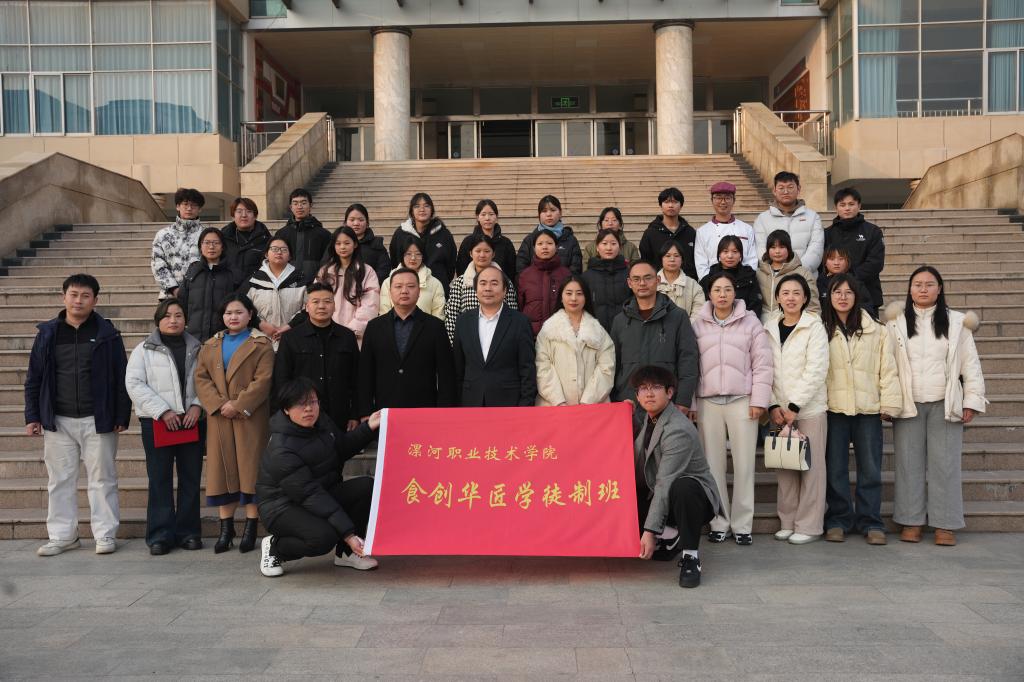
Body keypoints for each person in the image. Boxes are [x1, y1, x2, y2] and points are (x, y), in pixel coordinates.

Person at [26, 274, 131, 557]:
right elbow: (34, 377)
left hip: (98, 419)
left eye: (85, 296)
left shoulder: (108, 334)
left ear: (95, 300)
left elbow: (121, 376)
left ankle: (105, 534)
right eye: (73, 294)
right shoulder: (48, 333)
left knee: (103, 479)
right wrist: (33, 415)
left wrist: (121, 415)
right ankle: (63, 536)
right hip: (58, 420)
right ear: (64, 297)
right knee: (60, 480)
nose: (78, 301)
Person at [886, 266, 986, 547]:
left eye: (929, 284)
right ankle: (911, 521)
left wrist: (972, 401)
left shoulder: (957, 323)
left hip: (945, 402)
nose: (923, 289)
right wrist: (888, 402)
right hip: (909, 403)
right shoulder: (896, 324)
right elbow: (888, 365)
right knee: (908, 464)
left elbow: (970, 364)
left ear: (939, 289)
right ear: (910, 289)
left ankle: (945, 524)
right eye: (917, 284)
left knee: (946, 465)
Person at [257, 378, 382, 578]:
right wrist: (348, 534)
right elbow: (309, 494)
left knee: (365, 487)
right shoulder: (281, 448)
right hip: (282, 506)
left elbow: (341, 448)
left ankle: (347, 554)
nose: (308, 409)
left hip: (319, 493)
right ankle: (276, 547)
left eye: (313, 402)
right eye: (300, 404)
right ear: (286, 409)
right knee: (323, 537)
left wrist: (369, 427)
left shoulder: (322, 422)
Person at [691, 272, 773, 546]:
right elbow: (691, 366)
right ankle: (719, 521)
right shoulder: (697, 324)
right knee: (713, 466)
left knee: (744, 465)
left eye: (727, 289)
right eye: (717, 289)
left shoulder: (751, 323)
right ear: (709, 294)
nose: (722, 294)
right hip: (708, 401)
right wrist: (692, 402)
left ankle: (742, 524)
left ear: (735, 293)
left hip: (742, 401)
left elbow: (762, 364)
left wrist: (759, 400)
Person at [822, 274, 902, 546]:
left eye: (848, 292)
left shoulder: (877, 330)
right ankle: (838, 519)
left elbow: (888, 369)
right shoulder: (821, 329)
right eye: (837, 292)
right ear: (829, 296)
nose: (842, 297)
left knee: (870, 468)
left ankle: (871, 521)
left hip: (868, 410)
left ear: (857, 296)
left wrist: (889, 403)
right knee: (835, 469)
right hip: (834, 408)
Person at [194, 294, 274, 555]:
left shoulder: (261, 344)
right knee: (221, 471)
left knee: (250, 470)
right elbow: (201, 378)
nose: (233, 317)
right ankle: (225, 530)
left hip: (249, 417)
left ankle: (251, 527)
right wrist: (219, 404)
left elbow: (263, 380)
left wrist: (238, 405)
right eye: (228, 313)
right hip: (219, 417)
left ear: (250, 315)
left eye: (239, 312)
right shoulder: (211, 345)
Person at [125, 299, 204, 555]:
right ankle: (160, 535)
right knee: (159, 478)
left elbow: (209, 381)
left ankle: (189, 533)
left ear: (186, 319)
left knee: (190, 478)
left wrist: (197, 406)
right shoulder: (144, 349)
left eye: (178, 315)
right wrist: (163, 411)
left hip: (191, 421)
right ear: (158, 320)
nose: (173, 320)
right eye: (168, 315)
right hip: (157, 421)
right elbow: (134, 383)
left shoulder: (198, 348)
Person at [632, 365, 722, 589]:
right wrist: (627, 414)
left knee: (683, 487)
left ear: (670, 392)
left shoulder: (677, 428)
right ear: (637, 395)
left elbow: (665, 482)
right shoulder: (650, 418)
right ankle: (670, 534)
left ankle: (691, 557)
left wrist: (649, 531)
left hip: (693, 499)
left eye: (656, 387)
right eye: (643, 388)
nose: (649, 394)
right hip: (663, 492)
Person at [764, 273, 830, 545]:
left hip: (809, 409)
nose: (790, 298)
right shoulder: (768, 327)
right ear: (777, 298)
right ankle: (788, 521)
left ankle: (810, 525)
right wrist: (772, 404)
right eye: (785, 293)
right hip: (779, 411)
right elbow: (763, 368)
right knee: (785, 467)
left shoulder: (814, 327)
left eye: (796, 293)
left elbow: (816, 369)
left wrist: (794, 406)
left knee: (812, 469)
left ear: (805, 298)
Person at [359, 268, 457, 417]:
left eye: (411, 286)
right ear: (390, 292)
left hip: (425, 410)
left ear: (419, 292)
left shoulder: (435, 326)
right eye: (398, 286)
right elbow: (365, 373)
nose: (404, 291)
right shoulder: (374, 327)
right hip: (384, 411)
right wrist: (365, 412)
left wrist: (444, 412)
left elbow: (446, 375)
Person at [610, 261, 699, 418]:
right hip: (629, 403)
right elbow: (613, 364)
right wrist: (616, 399)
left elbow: (688, 360)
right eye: (636, 279)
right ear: (629, 283)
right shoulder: (620, 321)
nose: (642, 283)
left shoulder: (678, 317)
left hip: (668, 403)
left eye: (648, 278)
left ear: (658, 280)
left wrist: (684, 400)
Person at [274, 283, 360, 433]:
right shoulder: (291, 338)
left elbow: (358, 379)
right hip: (302, 416)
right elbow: (282, 379)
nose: (321, 306)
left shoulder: (347, 337)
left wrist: (355, 414)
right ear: (307, 307)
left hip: (340, 415)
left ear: (334, 306)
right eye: (315, 302)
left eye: (327, 301)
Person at [453, 265, 537, 406]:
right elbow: (458, 368)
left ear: (505, 290)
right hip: (471, 402)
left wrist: (525, 407)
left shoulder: (520, 322)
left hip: (509, 403)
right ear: (475, 289)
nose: (488, 288)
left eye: (494, 283)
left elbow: (527, 369)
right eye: (483, 283)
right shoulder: (463, 321)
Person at [535, 276, 615, 406]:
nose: (573, 298)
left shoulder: (599, 332)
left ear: (586, 298)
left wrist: (587, 402)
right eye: (568, 293)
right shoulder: (548, 331)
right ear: (561, 297)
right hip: (553, 406)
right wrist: (559, 402)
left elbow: (606, 369)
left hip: (593, 407)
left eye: (579, 293)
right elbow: (542, 368)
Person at [444, 233, 518, 343]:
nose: (482, 255)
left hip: (499, 339)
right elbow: (451, 317)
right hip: (468, 341)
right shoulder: (460, 282)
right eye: (478, 251)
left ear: (493, 254)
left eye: (487, 251)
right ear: (471, 253)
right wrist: (455, 344)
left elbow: (512, 312)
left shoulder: (505, 281)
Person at [238, 237, 307, 349]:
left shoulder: (301, 279)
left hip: (294, 340)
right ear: (266, 254)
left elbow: (309, 308)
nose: (279, 252)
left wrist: (289, 326)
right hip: (259, 341)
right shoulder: (253, 280)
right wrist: (260, 324)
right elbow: (241, 307)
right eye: (274, 249)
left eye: (284, 249)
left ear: (290, 256)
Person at [317, 226, 380, 346]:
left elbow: (370, 305)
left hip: (355, 337)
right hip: (327, 335)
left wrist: (349, 332)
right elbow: (316, 300)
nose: (342, 247)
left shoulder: (366, 271)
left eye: (347, 243)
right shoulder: (325, 272)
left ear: (355, 244)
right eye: (338, 243)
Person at [176, 227, 241, 342]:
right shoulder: (193, 271)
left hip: (222, 338)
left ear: (223, 247)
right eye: (206, 242)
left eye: (216, 243)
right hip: (194, 338)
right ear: (200, 246)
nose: (211, 247)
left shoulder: (232, 273)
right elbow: (182, 301)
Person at [826, 187, 885, 313]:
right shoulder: (827, 233)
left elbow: (875, 263)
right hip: (835, 295)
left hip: (867, 294)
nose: (847, 208)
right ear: (836, 207)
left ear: (859, 206)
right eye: (842, 205)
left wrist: (850, 279)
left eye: (851, 204)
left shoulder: (873, 231)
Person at [754, 171, 824, 271]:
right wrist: (776, 272)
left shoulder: (813, 217)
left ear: (798, 189)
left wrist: (799, 271)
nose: (786, 192)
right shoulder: (762, 219)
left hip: (804, 276)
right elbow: (761, 250)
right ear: (774, 190)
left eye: (790, 187)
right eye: (781, 188)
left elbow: (816, 250)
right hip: (772, 276)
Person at [389, 192, 458, 289]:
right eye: (417, 206)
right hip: (408, 288)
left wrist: (441, 280)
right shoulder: (401, 234)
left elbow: (451, 264)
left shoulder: (444, 234)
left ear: (432, 210)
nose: (422, 209)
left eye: (426, 206)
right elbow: (395, 260)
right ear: (411, 211)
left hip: (437, 288)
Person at [694, 181, 758, 279]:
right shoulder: (702, 232)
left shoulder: (746, 229)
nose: (723, 202)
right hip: (713, 282)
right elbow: (701, 265)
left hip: (743, 282)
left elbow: (752, 260)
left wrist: (742, 281)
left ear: (734, 200)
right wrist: (713, 284)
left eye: (727, 198)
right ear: (712, 200)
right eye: (718, 197)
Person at [151, 187, 204, 299]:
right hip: (170, 297)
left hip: (200, 296)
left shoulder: (207, 235)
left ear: (200, 209)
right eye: (185, 204)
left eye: (194, 205)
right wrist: (174, 289)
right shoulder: (163, 235)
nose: (189, 208)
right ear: (178, 206)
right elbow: (158, 264)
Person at [757, 229, 820, 322]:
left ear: (789, 249)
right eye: (773, 247)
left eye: (782, 247)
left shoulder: (803, 273)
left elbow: (812, 307)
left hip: (792, 323)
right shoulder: (758, 273)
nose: (777, 251)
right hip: (762, 324)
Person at [518, 228, 572, 335]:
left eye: (549, 243)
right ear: (534, 248)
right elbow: (520, 305)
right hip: (532, 334)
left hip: (561, 335)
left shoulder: (566, 274)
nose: (545, 247)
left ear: (556, 247)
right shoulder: (525, 275)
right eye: (540, 244)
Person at [379, 236, 446, 319]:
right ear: (402, 255)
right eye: (408, 254)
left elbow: (438, 316)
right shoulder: (388, 282)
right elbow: (384, 313)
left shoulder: (435, 284)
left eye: (418, 254)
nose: (413, 258)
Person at [639, 187, 697, 280]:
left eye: (675, 202)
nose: (670, 205)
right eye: (666, 202)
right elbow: (645, 261)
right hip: (658, 282)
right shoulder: (650, 233)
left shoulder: (690, 232)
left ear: (681, 205)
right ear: (660, 205)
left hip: (687, 282)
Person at [515, 195, 583, 275]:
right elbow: (521, 269)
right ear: (538, 215)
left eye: (553, 210)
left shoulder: (571, 240)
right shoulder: (529, 240)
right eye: (544, 211)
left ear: (560, 213)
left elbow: (576, 269)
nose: (549, 214)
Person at [699, 236, 763, 320]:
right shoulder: (709, 279)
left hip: (744, 322)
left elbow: (756, 304)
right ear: (719, 254)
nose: (730, 256)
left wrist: (746, 322)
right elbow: (702, 306)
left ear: (741, 254)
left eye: (735, 252)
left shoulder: (749, 276)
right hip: (714, 323)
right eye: (725, 251)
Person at [275, 188, 331, 282]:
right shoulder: (281, 234)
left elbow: (328, 261)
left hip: (314, 285)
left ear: (310, 205)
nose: (299, 207)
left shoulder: (323, 234)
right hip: (287, 284)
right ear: (291, 207)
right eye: (295, 203)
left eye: (303, 203)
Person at [581, 228, 630, 331]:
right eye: (604, 243)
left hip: (625, 329)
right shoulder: (586, 277)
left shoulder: (629, 274)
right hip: (596, 331)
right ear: (597, 247)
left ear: (620, 247)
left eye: (613, 243)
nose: (609, 248)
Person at [456, 199, 517, 277]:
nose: (487, 218)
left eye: (491, 214)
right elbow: (461, 268)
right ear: (477, 217)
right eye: (483, 214)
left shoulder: (506, 243)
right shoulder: (468, 242)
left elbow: (511, 271)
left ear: (496, 217)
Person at [221, 197, 272, 280]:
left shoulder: (266, 239)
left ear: (255, 216)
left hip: (257, 285)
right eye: (239, 211)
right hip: (228, 285)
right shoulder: (223, 238)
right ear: (233, 215)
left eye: (249, 211)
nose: (244, 215)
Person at [818, 245, 874, 317]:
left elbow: (866, 308)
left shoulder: (855, 283)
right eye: (831, 259)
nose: (836, 263)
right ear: (825, 262)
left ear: (847, 261)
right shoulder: (819, 283)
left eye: (841, 259)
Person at [344, 203, 392, 284]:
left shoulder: (377, 245)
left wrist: (368, 285)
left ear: (367, 223)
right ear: (345, 223)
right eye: (352, 220)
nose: (356, 223)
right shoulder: (337, 244)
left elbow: (384, 270)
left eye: (361, 220)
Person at [657, 241, 705, 317]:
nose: (672, 259)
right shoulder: (651, 283)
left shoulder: (693, 285)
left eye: (676, 256)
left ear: (682, 259)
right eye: (668, 256)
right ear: (661, 259)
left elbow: (699, 311)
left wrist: (685, 324)